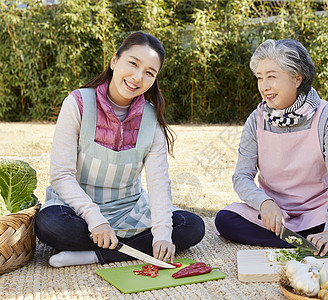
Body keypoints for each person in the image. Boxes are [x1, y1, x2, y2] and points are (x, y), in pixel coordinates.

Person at [35, 32, 205, 267]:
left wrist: (163, 233)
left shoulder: (151, 118)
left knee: (191, 226)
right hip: (77, 210)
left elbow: (158, 182)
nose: (137, 77)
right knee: (49, 224)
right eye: (133, 64)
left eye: (149, 73)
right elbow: (61, 175)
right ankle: (126, 247)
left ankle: (96, 255)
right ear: (115, 61)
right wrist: (95, 219)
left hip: (129, 211)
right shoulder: (77, 103)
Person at [215, 39, 328, 256]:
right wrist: (264, 203)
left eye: (272, 76)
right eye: (259, 78)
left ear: (296, 78)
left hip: (321, 208)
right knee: (225, 220)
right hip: (276, 213)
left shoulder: (326, 115)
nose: (264, 86)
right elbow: (242, 177)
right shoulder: (255, 120)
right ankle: (311, 242)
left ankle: (318, 237)